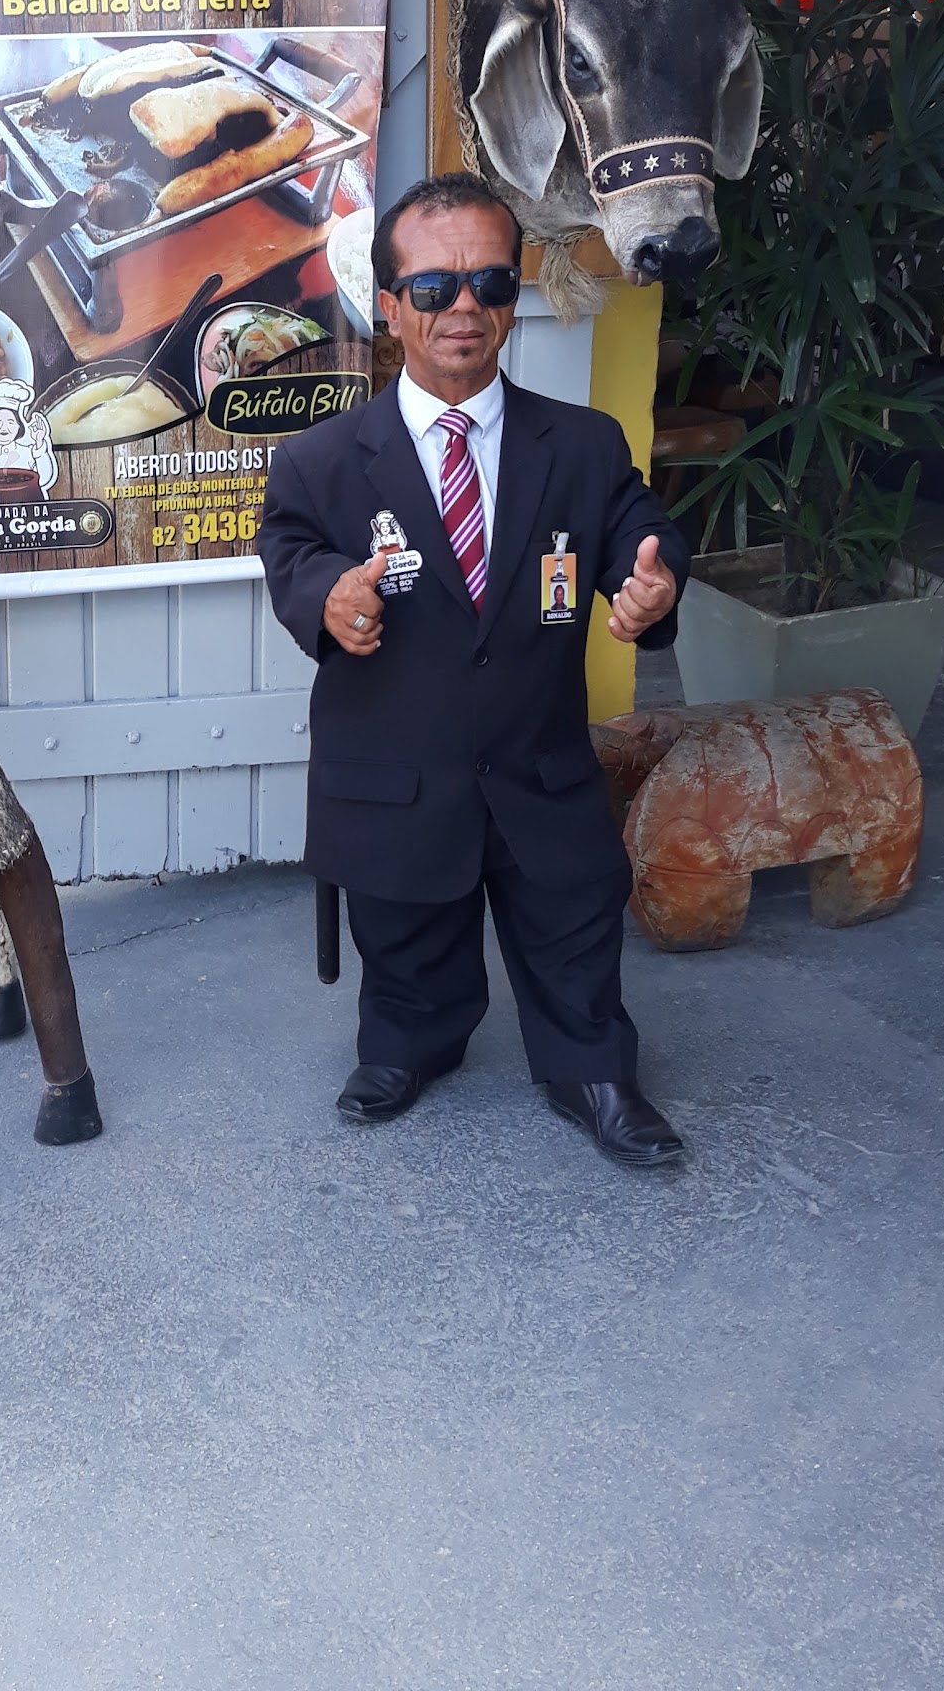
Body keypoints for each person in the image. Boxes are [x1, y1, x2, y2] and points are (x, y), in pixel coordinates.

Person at [256, 174, 691, 1165]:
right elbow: (291, 550)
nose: (464, 308)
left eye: (491, 283)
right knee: (405, 934)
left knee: (575, 922)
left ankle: (592, 1070)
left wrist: (651, 583)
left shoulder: (581, 444)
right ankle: (408, 1045)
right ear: (389, 306)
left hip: (539, 760)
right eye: (434, 287)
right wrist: (326, 595)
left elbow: (638, 531)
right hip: (395, 768)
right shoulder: (322, 462)